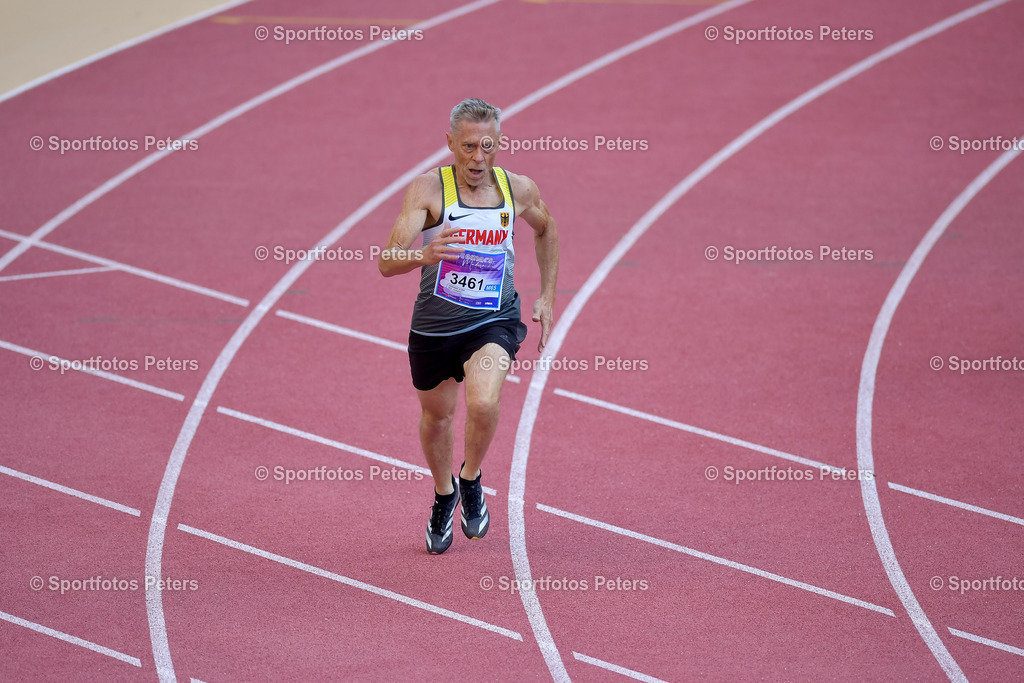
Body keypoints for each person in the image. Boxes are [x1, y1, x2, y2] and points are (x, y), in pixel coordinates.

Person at [378, 98, 559, 554]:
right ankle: (444, 494)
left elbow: (546, 228)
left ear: (498, 144)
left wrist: (547, 295)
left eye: (487, 147)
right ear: (450, 144)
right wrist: (424, 254)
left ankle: (472, 477)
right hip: (435, 328)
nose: (478, 158)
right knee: (437, 418)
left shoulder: (517, 189)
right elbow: (386, 261)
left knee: (483, 400)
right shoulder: (428, 190)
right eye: (468, 148)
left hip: (492, 320)